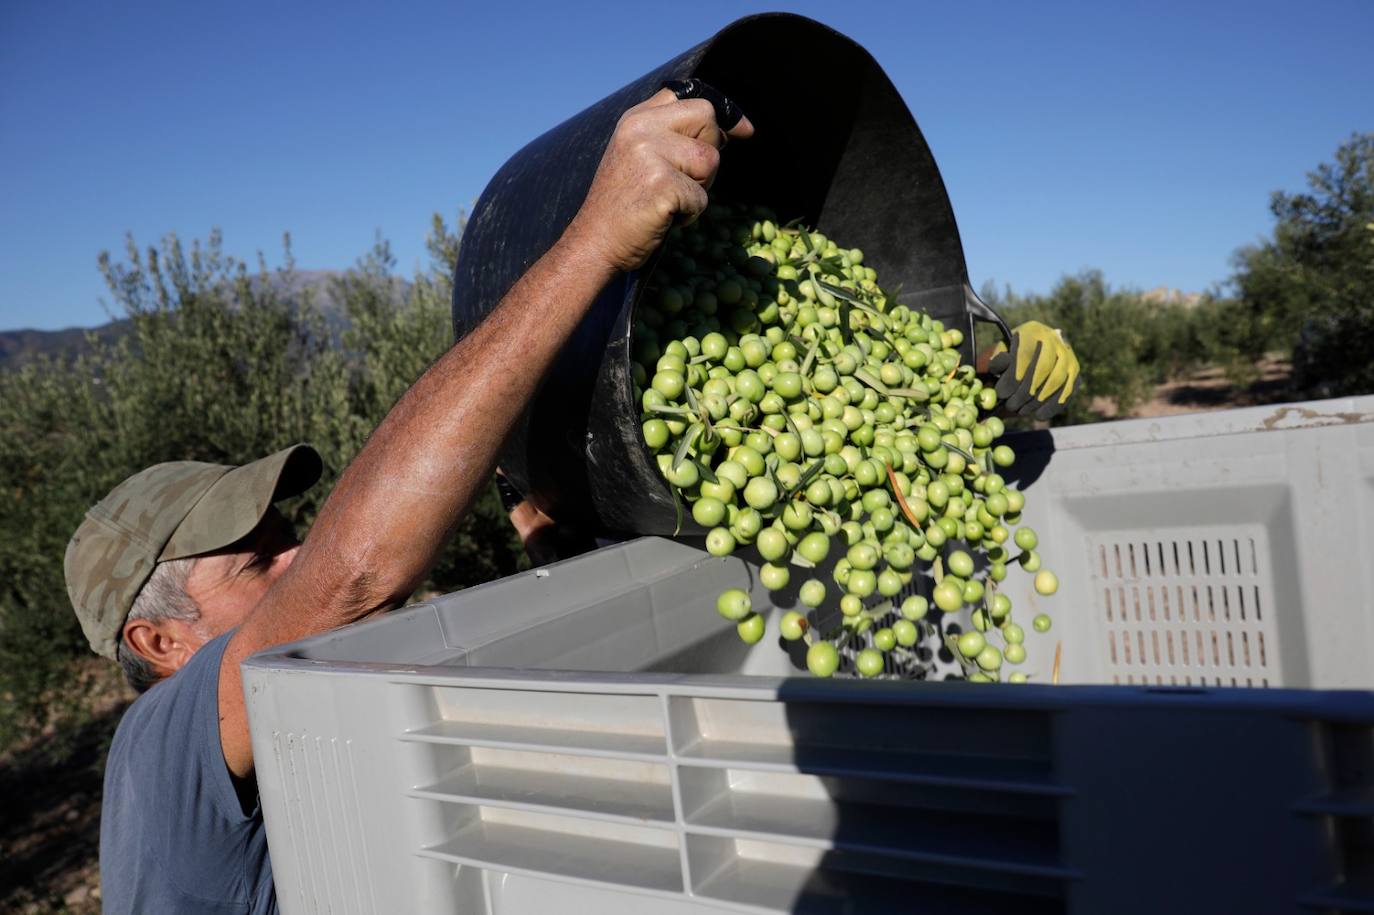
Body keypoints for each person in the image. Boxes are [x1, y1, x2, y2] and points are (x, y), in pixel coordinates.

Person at [63, 88, 754, 914]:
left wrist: (552, 554)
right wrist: (596, 237)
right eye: (257, 559)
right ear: (159, 641)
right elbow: (348, 580)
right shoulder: (157, 747)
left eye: (291, 534)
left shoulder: (316, 724)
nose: (296, 555)